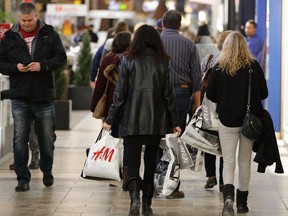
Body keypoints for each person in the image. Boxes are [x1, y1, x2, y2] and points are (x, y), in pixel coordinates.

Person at [103, 24, 181, 216]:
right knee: (150, 162)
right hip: (156, 123)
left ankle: (134, 201)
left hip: (131, 121)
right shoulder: (163, 61)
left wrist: (110, 119)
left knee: (131, 163)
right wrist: (175, 122)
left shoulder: (128, 60)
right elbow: (169, 95)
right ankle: (146, 204)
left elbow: (119, 95)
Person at [0, 2, 67, 192]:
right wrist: (15, 68)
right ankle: (22, 178)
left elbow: (61, 58)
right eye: (23, 20)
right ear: (18, 18)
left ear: (36, 17)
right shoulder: (9, 37)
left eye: (30, 20)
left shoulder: (49, 34)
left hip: (43, 96)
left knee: (47, 138)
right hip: (20, 96)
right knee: (19, 139)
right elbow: (1, 62)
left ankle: (47, 170)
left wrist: (43, 65)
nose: (27, 24)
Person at [206, 31, 268, 215]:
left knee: (229, 161)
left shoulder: (219, 67)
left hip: (226, 121)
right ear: (244, 45)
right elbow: (264, 93)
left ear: (226, 45)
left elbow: (211, 95)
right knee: (244, 161)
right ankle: (242, 203)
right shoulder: (253, 66)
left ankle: (228, 200)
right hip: (249, 123)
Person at [160, 9, 202, 199]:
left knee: (156, 136)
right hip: (181, 92)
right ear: (179, 25)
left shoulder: (154, 43)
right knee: (175, 138)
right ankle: (173, 186)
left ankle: (154, 182)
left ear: (162, 24)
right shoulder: (189, 45)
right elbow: (197, 80)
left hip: (157, 93)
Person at [91, 31, 132, 190]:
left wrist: (95, 105)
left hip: (111, 106)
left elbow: (100, 84)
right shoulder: (133, 59)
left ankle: (113, 171)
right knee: (128, 140)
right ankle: (128, 174)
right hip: (129, 106)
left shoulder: (108, 58)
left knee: (113, 140)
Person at [200, 31, 232, 192]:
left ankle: (211, 175)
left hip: (209, 107)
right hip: (228, 108)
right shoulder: (235, 62)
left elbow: (202, 82)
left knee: (209, 142)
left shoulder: (210, 59)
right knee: (227, 145)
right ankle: (222, 180)